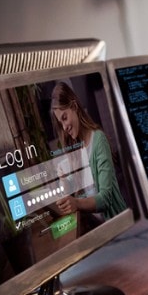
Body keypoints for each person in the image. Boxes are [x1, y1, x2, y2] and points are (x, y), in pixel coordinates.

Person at [50, 82, 127, 221]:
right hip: (96, 227)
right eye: (60, 123)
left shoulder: (98, 140)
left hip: (116, 224)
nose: (64, 127)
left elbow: (105, 199)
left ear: (74, 107)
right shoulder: (76, 149)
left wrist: (77, 203)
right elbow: (73, 193)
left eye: (65, 118)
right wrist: (63, 179)